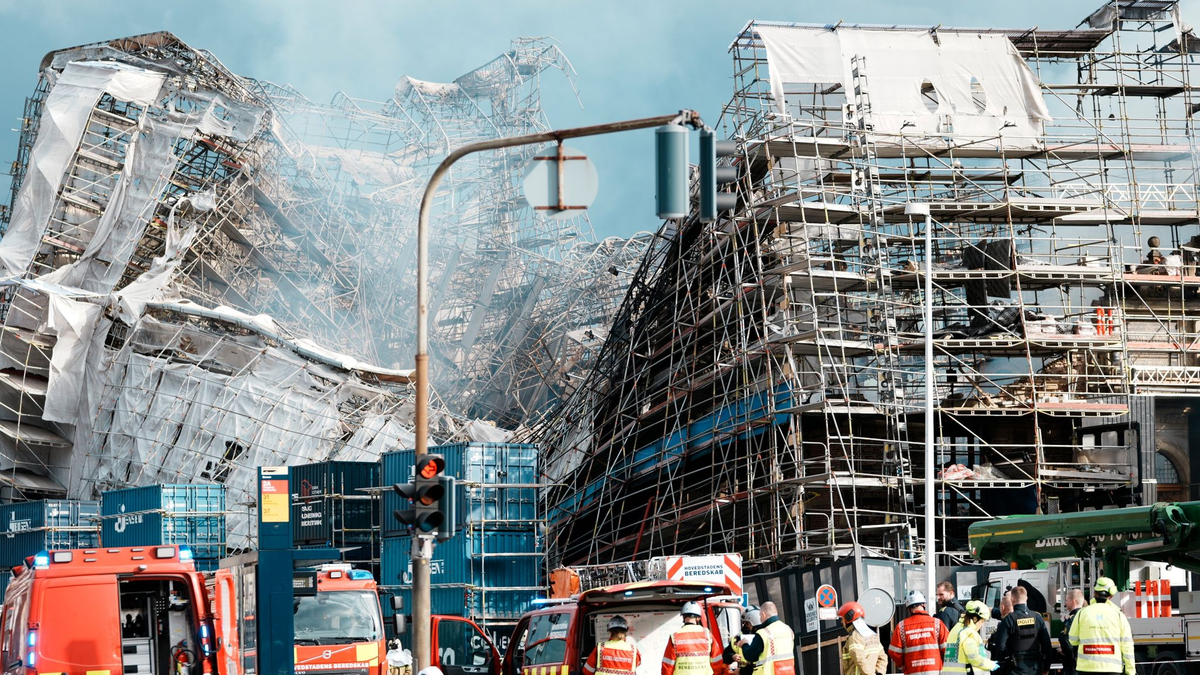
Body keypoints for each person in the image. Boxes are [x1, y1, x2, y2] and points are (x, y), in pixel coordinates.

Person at [1068, 578, 1134, 675]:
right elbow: (1127, 646)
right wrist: (1130, 671)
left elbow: (1073, 640)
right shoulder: (1118, 615)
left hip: (1086, 668)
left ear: (1095, 592)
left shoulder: (1082, 613)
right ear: (1111, 595)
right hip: (1112, 669)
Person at [992, 586, 1052, 675]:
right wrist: (1046, 667)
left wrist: (1002, 666)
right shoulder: (1037, 617)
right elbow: (1047, 645)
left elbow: (1000, 646)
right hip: (1035, 668)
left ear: (1012, 599)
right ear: (1026, 598)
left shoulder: (1009, 619)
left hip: (1015, 668)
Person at [888, 590, 949, 675]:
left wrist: (904, 666)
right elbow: (948, 649)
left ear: (909, 608)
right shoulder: (937, 624)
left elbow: (894, 652)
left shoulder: (901, 627)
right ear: (923, 604)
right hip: (935, 671)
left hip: (912, 672)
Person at [663, 602, 723, 675]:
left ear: (683, 617)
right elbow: (716, 661)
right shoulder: (707, 635)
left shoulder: (675, 637)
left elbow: (668, 665)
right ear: (698, 618)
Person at [941, 600, 999, 675]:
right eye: (982, 621)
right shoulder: (969, 633)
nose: (982, 625)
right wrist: (991, 665)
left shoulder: (956, 629)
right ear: (975, 619)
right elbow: (974, 657)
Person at [743, 602, 794, 675]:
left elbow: (750, 656)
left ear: (763, 615)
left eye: (760, 616)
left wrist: (744, 644)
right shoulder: (788, 629)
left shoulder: (763, 633)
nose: (760, 619)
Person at [838, 601, 887, 675]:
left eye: (843, 618)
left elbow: (859, 659)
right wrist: (879, 672)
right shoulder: (873, 636)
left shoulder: (855, 636)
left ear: (849, 617)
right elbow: (883, 657)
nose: (842, 622)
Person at [1058, 590, 1085, 675]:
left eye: (1066, 600)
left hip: (1073, 662)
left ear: (1073, 601)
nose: (1065, 603)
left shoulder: (1072, 618)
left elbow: (1067, 640)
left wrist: (1064, 650)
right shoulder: (1086, 616)